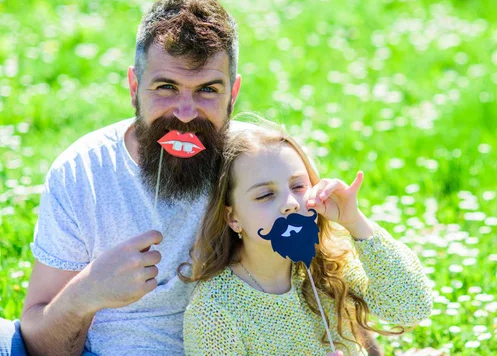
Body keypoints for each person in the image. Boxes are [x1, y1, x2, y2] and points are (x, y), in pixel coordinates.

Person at [0, 0, 242, 355]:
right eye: (166, 87)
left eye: (208, 90)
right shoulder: (83, 172)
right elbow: (35, 344)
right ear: (133, 86)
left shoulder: (258, 165)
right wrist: (87, 291)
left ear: (234, 94)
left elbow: (326, 290)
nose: (186, 113)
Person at [179, 123, 433, 355]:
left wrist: (355, 221)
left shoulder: (330, 263)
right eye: (265, 195)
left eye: (298, 187)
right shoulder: (215, 312)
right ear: (232, 217)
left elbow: (411, 308)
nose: (289, 204)